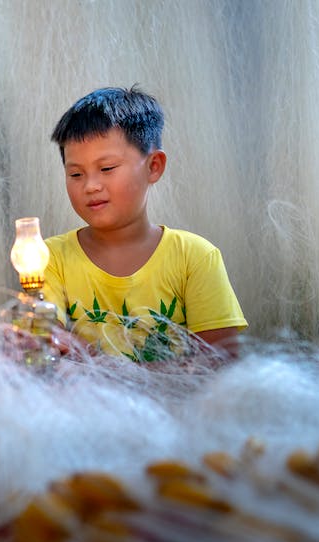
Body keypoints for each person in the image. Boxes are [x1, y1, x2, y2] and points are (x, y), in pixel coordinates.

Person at [40, 86, 246, 362]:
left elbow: (221, 364)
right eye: (76, 174)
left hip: (175, 404)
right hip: (83, 405)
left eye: (107, 169)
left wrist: (94, 361)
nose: (90, 186)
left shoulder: (194, 258)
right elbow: (45, 347)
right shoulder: (50, 258)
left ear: (154, 166)